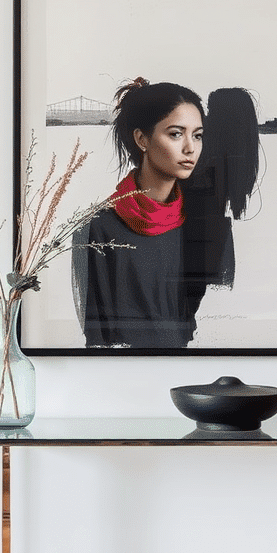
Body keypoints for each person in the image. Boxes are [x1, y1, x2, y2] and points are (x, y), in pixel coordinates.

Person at [72, 77, 205, 349]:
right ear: (142, 139)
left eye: (197, 135)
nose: (190, 148)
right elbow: (96, 332)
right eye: (176, 134)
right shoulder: (98, 226)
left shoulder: (195, 224)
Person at [181, 87, 261, 324]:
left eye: (210, 110)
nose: (205, 116)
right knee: (187, 311)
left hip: (189, 238)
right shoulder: (236, 154)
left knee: (178, 312)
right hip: (212, 239)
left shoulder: (205, 154)